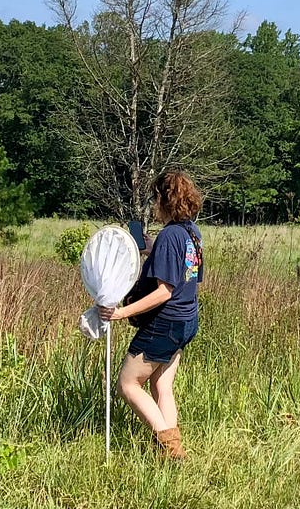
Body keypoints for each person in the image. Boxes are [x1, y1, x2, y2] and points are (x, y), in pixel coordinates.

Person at [98, 171, 203, 459]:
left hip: (165, 322)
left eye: (155, 198)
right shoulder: (191, 232)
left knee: (127, 384)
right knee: (161, 385)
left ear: (164, 199)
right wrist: (150, 247)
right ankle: (173, 452)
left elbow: (164, 291)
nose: (153, 204)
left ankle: (170, 450)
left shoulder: (170, 235)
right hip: (187, 319)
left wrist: (121, 313)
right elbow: (183, 267)